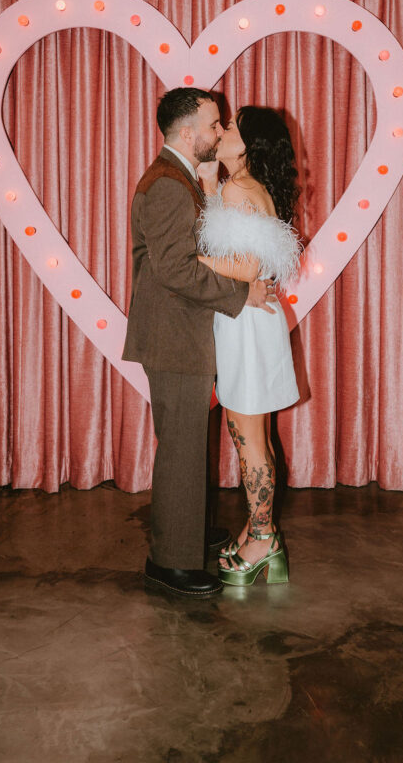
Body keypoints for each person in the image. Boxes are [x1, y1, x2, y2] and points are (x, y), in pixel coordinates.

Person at [122, 88, 275, 598]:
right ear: (188, 134)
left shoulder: (179, 177)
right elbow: (176, 271)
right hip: (173, 334)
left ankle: (186, 534)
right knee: (182, 450)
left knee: (187, 444)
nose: (219, 131)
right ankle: (172, 562)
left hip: (181, 331)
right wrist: (242, 294)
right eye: (214, 125)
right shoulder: (168, 184)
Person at [197, 106, 302, 587]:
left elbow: (241, 268)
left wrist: (183, 254)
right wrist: (207, 178)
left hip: (246, 326)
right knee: (253, 435)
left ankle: (263, 540)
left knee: (247, 437)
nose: (221, 131)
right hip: (250, 324)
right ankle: (261, 531)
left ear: (249, 145)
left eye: (231, 127)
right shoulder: (239, 186)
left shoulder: (242, 189)